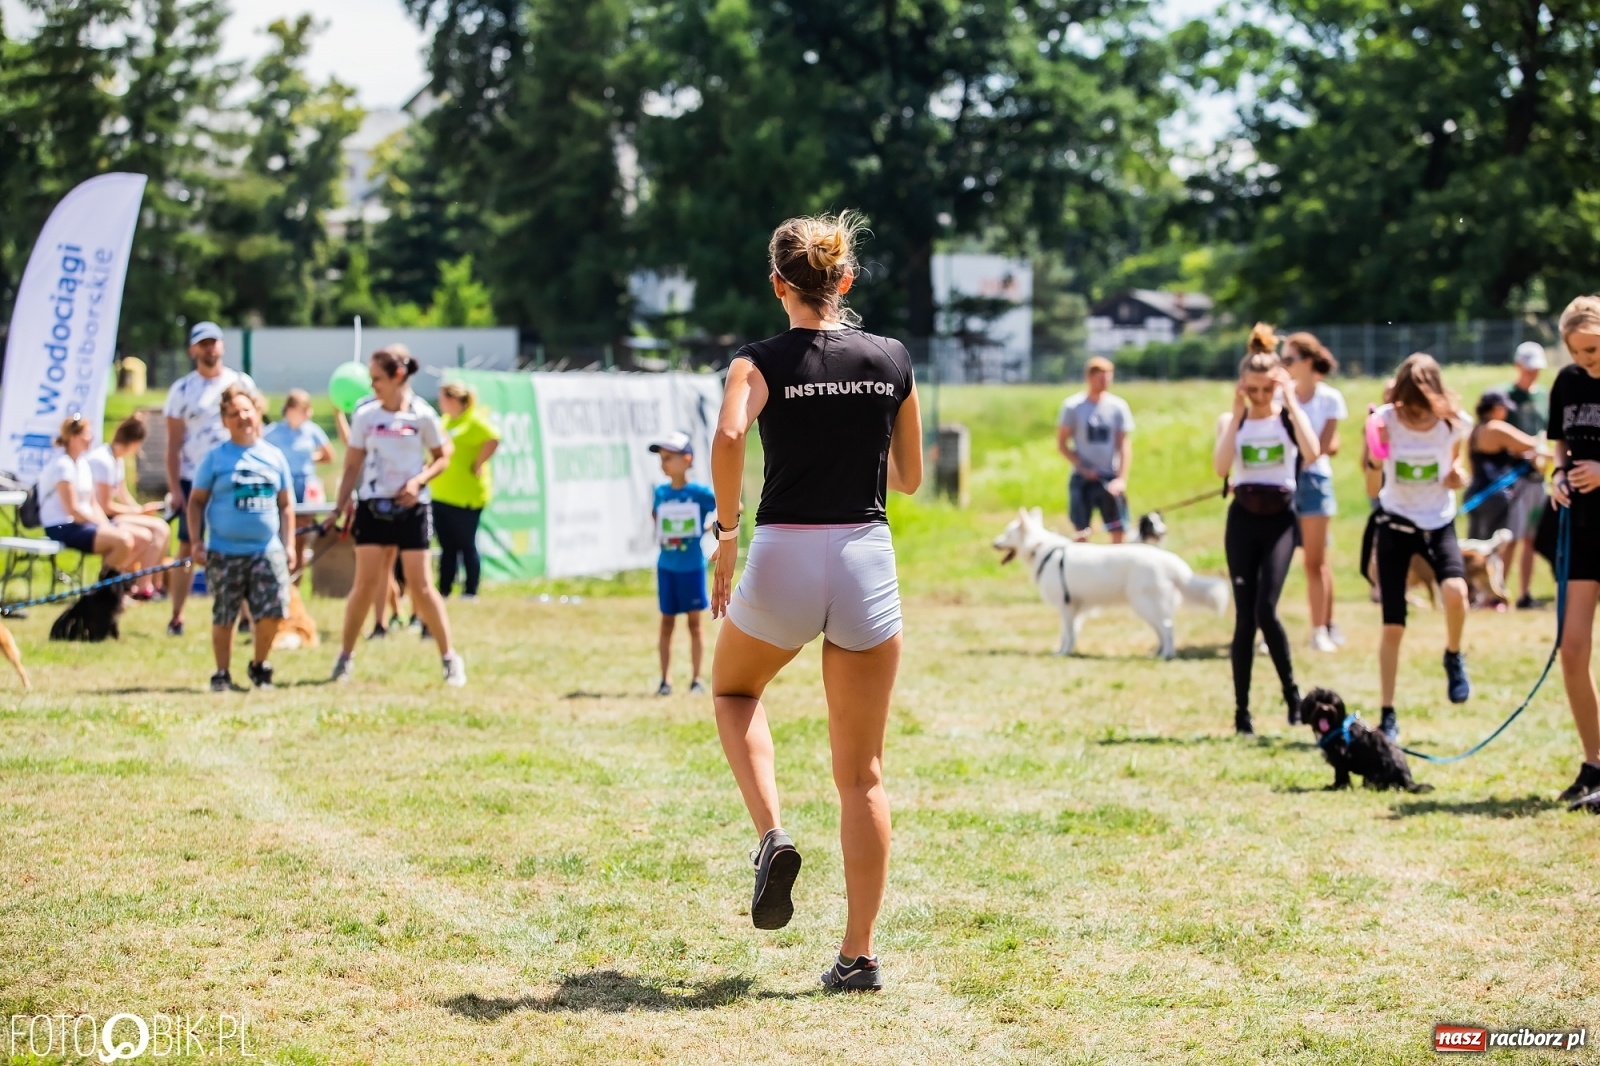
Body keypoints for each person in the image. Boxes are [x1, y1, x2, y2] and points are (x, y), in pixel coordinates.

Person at [710, 212, 922, 992]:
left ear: (778, 285)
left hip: (785, 553)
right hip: (866, 554)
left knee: (735, 692)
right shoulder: (892, 357)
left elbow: (731, 438)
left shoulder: (755, 361)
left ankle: (771, 835)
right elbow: (909, 477)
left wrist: (726, 532)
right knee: (862, 774)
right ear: (846, 280)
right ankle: (857, 957)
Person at [331, 346, 466, 686]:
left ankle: (449, 658)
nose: (371, 385)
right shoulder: (365, 415)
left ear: (398, 377)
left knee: (421, 586)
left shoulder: (422, 415)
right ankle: (345, 657)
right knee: (364, 585)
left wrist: (418, 481)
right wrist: (340, 503)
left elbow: (441, 457)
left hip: (412, 509)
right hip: (373, 506)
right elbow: (352, 464)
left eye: (377, 378)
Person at [1213, 324, 1321, 736]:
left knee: (1266, 610)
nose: (1260, 397)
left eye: (1266, 389)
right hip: (1242, 518)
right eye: (1252, 389)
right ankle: (1242, 712)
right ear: (1242, 388)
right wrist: (1238, 413)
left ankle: (1292, 696)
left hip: (1280, 520)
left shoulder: (1289, 419)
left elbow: (1312, 454)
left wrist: (1289, 399)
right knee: (1245, 619)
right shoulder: (1232, 420)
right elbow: (1221, 468)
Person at [1371, 353, 1473, 741]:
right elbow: (1372, 473)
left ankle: (1453, 654)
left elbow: (1456, 466)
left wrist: (1456, 476)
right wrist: (1375, 451)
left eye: (1420, 405)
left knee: (1456, 591)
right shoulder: (1386, 421)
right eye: (1407, 404)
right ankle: (1388, 713)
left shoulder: (1453, 423)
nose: (1413, 413)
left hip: (1438, 521)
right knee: (1393, 624)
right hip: (1396, 522)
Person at [187, 386, 297, 692]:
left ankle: (260, 665)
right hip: (224, 550)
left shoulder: (273, 456)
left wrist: (288, 544)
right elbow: (195, 502)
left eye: (246, 411)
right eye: (234, 413)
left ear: (257, 412)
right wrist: (197, 541)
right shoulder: (215, 459)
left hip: (266, 549)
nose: (242, 418)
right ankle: (222, 673)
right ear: (224, 421)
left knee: (273, 612)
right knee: (225, 613)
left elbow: (287, 505)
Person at [163, 321, 256, 637]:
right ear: (193, 350)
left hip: (235, 475)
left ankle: (245, 614)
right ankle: (177, 615)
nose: (209, 348)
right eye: (203, 343)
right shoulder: (182, 390)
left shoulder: (240, 383)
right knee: (188, 546)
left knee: (238, 542)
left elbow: (254, 429)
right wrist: (175, 488)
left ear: (222, 346)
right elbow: (173, 443)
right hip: (195, 478)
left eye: (214, 342)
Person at [1546, 298, 1600, 809]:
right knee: (1574, 648)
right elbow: (1560, 445)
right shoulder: (1567, 381)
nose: (1588, 361)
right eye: (1579, 353)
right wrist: (1559, 475)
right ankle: (1594, 763)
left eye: (1595, 349)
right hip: (1583, 530)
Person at [1283, 332, 1346, 652]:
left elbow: (1325, 446)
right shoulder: (1280, 396)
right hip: (1284, 481)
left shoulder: (1329, 398)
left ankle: (1321, 627)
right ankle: (1270, 630)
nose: (1284, 366)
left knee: (1316, 562)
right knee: (1277, 560)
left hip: (1315, 481)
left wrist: (1315, 450)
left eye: (1289, 359)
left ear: (1307, 362)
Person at [649, 431, 717, 696]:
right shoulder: (660, 492)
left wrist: (711, 526)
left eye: (668, 457)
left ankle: (697, 680)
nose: (663, 463)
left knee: (694, 624)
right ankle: (665, 681)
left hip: (692, 568)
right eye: (661, 458)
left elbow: (733, 505)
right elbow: (657, 521)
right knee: (666, 623)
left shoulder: (699, 492)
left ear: (687, 459)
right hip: (667, 566)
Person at [38, 415, 142, 575]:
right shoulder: (62, 466)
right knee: (122, 541)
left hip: (81, 524)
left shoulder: (83, 464)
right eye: (87, 433)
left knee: (134, 538)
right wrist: (103, 526)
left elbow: (93, 504)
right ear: (73, 437)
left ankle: (108, 593)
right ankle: (103, 594)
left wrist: (106, 525)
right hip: (60, 526)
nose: (91, 437)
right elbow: (73, 511)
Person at [86, 415, 171, 599]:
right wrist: (139, 511)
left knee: (161, 528)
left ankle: (148, 583)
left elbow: (123, 495)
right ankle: (139, 584)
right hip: (100, 517)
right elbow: (106, 506)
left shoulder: (117, 460)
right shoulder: (103, 462)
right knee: (150, 534)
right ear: (134, 442)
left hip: (111, 515)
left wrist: (143, 511)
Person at [432, 382, 501, 600]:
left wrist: (478, 463)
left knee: (465, 543)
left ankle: (470, 591)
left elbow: (493, 438)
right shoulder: (445, 421)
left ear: (452, 399)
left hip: (467, 496)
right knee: (446, 546)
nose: (440, 402)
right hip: (442, 493)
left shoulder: (473, 420)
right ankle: (444, 588)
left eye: (443, 398)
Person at [1057, 356, 1134, 542]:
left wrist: (1121, 479)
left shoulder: (1118, 407)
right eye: (1101, 378)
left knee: (1118, 527)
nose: (1105, 383)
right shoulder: (1073, 407)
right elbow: (1062, 444)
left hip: (1109, 477)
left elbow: (1124, 444)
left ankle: (1117, 568)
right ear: (1089, 377)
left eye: (1108, 378)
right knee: (1081, 530)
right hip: (1083, 478)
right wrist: (1082, 468)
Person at [1503, 341, 1551, 608]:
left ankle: (1524, 593)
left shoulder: (1543, 396)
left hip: (1538, 476)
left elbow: (1545, 431)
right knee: (1510, 538)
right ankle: (1498, 591)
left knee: (1531, 538)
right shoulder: (1507, 397)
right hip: (1514, 477)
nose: (1533, 374)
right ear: (1518, 366)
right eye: (1529, 368)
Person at [1464, 390, 1544, 544]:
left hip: (1475, 493)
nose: (1506, 412)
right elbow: (1530, 443)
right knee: (1492, 548)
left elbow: (1472, 466)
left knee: (1473, 546)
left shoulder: (1474, 431)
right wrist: (1544, 436)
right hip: (1494, 496)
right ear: (1496, 408)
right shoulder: (1496, 427)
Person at [263, 390, 335, 504]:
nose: (308, 413)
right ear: (290, 410)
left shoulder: (311, 430)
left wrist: (308, 458)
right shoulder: (273, 431)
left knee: (307, 518)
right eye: (303, 409)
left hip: (307, 482)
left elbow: (329, 455)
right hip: (284, 482)